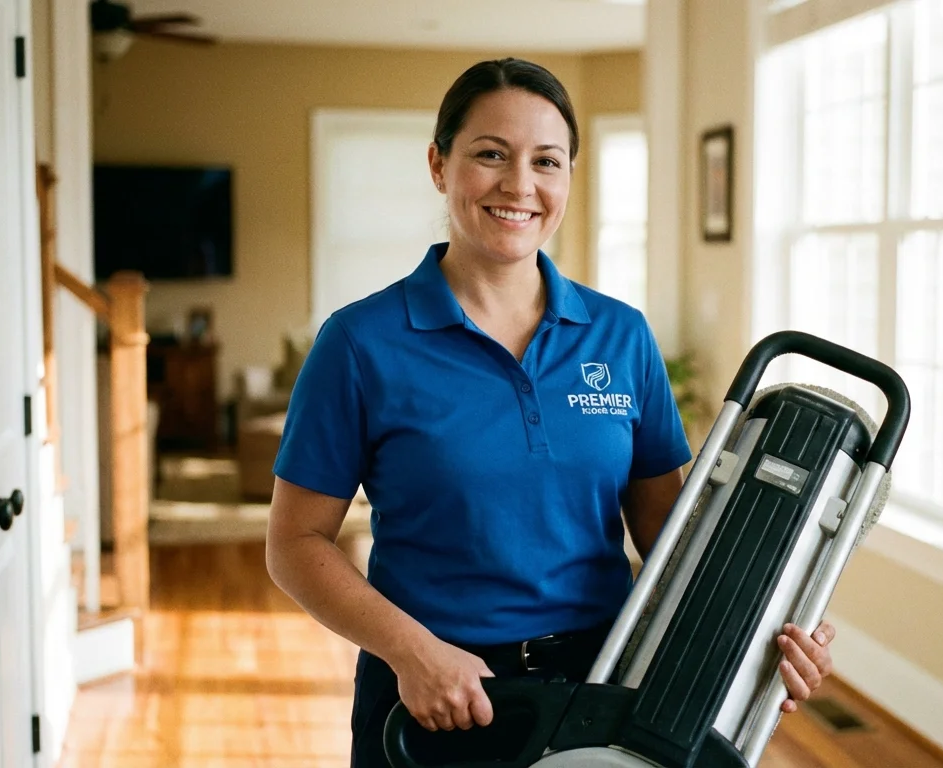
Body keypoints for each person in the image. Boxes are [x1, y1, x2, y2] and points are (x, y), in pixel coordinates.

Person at [264, 57, 837, 768]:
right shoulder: (359, 342)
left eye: (547, 161)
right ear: (440, 165)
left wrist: (762, 640)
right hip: (434, 693)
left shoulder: (620, 335)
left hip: (603, 682)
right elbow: (296, 545)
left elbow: (669, 531)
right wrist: (413, 653)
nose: (519, 186)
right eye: (490, 155)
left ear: (569, 177)